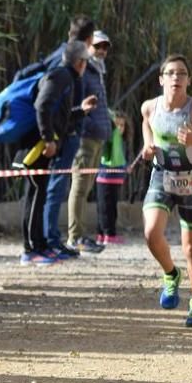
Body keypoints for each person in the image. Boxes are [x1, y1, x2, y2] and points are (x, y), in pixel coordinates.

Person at [17, 41, 97, 265]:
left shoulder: (67, 78)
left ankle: (40, 245)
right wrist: (48, 138)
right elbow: (42, 106)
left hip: (43, 145)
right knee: (34, 194)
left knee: (40, 193)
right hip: (35, 147)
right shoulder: (61, 76)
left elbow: (59, 116)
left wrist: (81, 111)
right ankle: (29, 249)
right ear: (80, 62)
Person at [139, 55, 192, 325]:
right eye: (171, 73)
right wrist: (148, 146)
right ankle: (171, 275)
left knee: (191, 249)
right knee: (151, 233)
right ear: (161, 79)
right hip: (162, 175)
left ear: (188, 80)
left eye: (182, 73)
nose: (176, 78)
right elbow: (146, 124)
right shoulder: (150, 107)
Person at [41, 16, 96, 258]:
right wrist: (48, 137)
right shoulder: (63, 66)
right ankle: (49, 240)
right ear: (89, 39)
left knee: (55, 187)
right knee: (54, 188)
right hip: (61, 135)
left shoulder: (59, 57)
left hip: (67, 128)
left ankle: (49, 239)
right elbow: (44, 103)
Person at [67, 30, 112, 254]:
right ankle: (75, 237)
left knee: (86, 188)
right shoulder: (85, 71)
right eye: (98, 46)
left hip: (98, 136)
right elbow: (79, 105)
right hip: (85, 136)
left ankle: (81, 235)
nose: (102, 50)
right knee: (79, 185)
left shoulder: (98, 71)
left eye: (105, 47)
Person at [96, 110, 128, 244]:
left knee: (109, 207)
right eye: (117, 125)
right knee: (105, 208)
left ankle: (102, 234)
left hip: (114, 178)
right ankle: (108, 234)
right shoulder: (110, 136)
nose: (120, 128)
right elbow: (107, 113)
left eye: (122, 125)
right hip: (105, 177)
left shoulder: (120, 140)